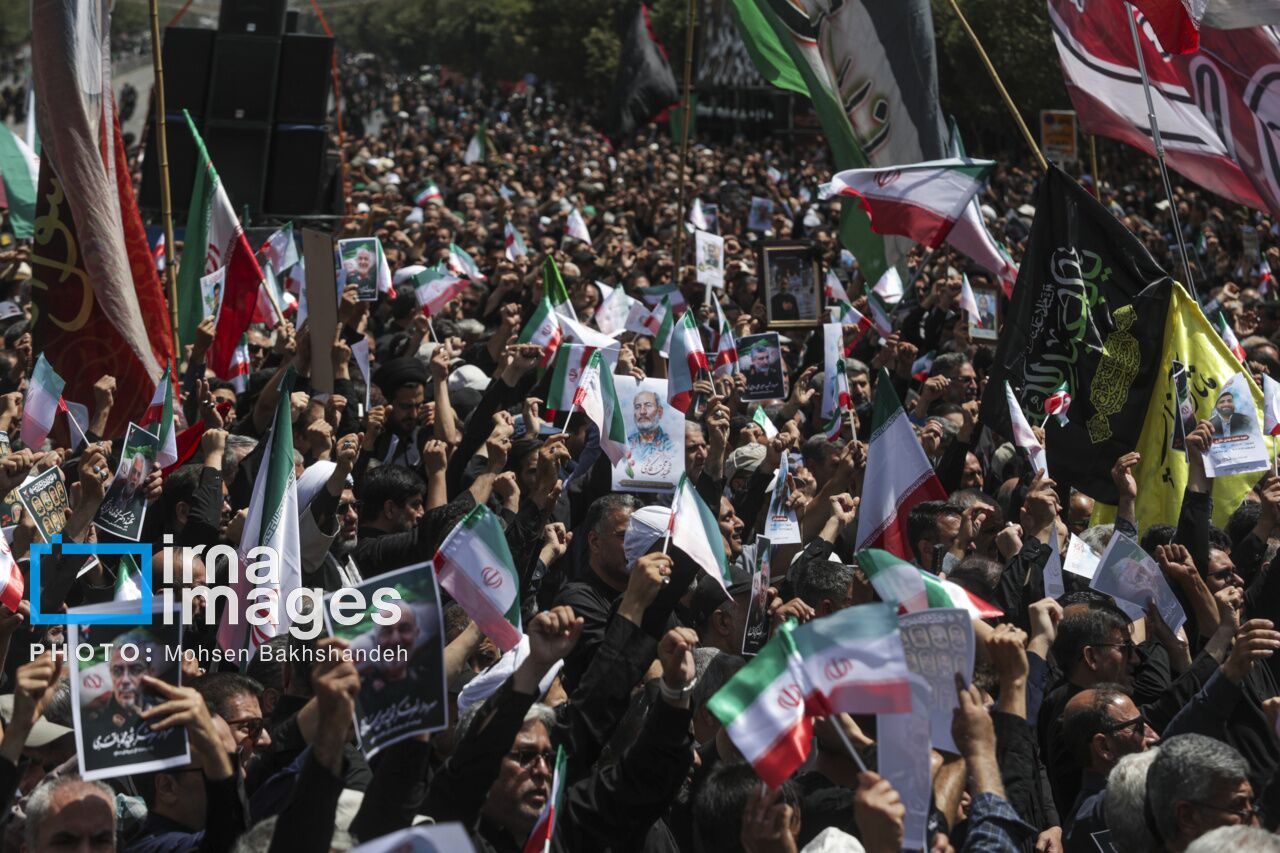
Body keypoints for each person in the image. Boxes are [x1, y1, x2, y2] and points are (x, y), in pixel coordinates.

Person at [627, 390, 672, 464]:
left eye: (648, 405)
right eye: (637, 407)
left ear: (660, 412)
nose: (642, 412)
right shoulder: (626, 445)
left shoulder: (670, 445)